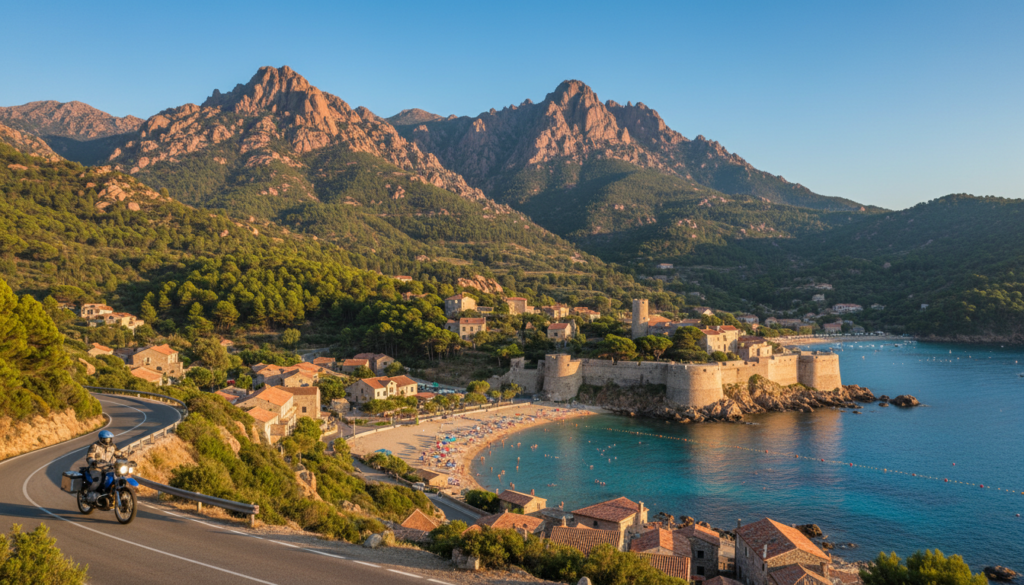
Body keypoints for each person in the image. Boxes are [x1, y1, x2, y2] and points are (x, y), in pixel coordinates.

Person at [85, 430, 123, 502]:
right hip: (96, 468)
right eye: (105, 439)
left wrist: (124, 456)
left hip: (109, 467)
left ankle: (111, 494)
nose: (107, 441)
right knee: (97, 481)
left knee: (117, 478)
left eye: (109, 439)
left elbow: (119, 453)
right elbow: (90, 456)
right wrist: (93, 461)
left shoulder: (113, 446)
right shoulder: (95, 446)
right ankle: (90, 494)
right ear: (101, 439)